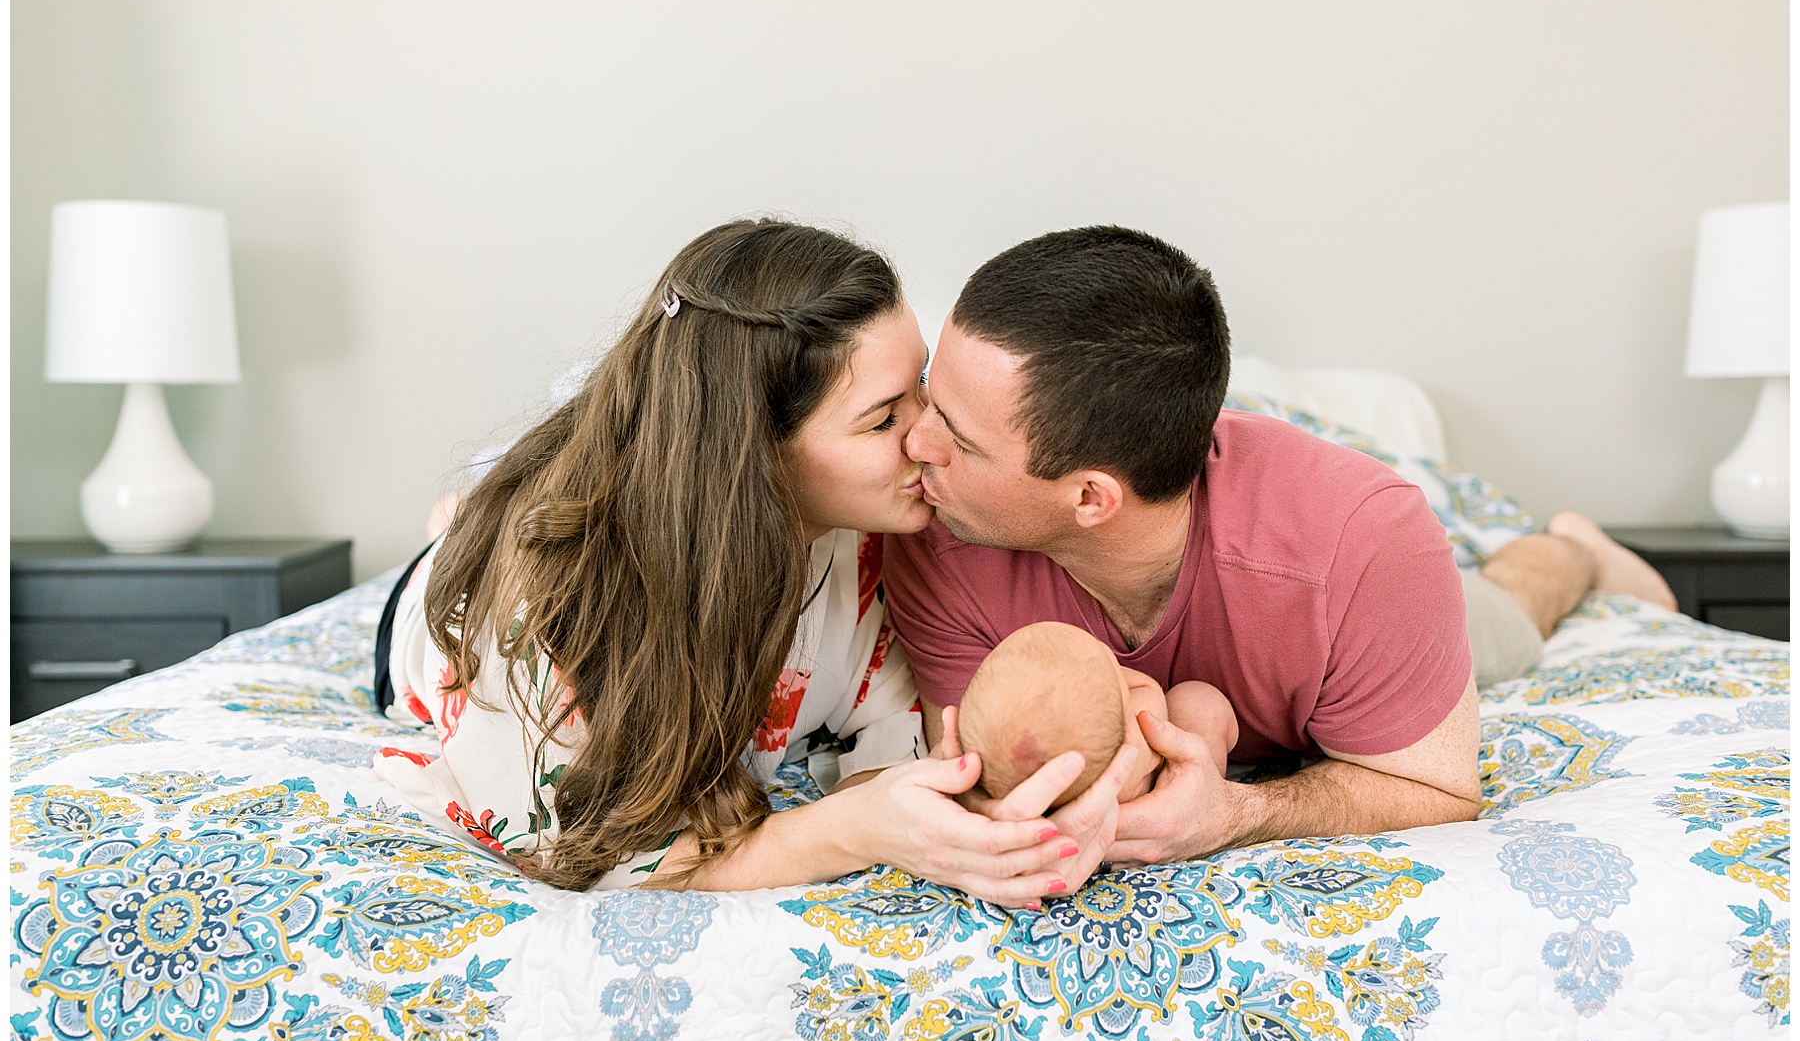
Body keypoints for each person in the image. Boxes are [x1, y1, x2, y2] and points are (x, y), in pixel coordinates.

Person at [884, 224, 1679, 884]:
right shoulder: (936, 534)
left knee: (1506, 616)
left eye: (954, 434)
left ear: (1090, 496)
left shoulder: (1363, 544)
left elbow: (1433, 788)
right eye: (929, 392)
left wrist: (1237, 814)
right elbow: (979, 772)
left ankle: (1571, 550)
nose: (914, 443)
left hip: (1357, 587)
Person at [371, 219, 1112, 904]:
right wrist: (850, 829)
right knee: (487, 538)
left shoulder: (886, 531)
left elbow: (893, 743)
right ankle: (461, 523)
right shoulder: (552, 604)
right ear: (754, 457)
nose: (928, 440)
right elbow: (579, 850)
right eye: (884, 418)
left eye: (918, 388)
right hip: (452, 613)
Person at [957, 620, 1236, 806]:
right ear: (1126, 734)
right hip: (1172, 805)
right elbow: (1148, 689)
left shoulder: (1054, 799)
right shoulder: (1132, 748)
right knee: (1199, 703)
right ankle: (1208, 800)